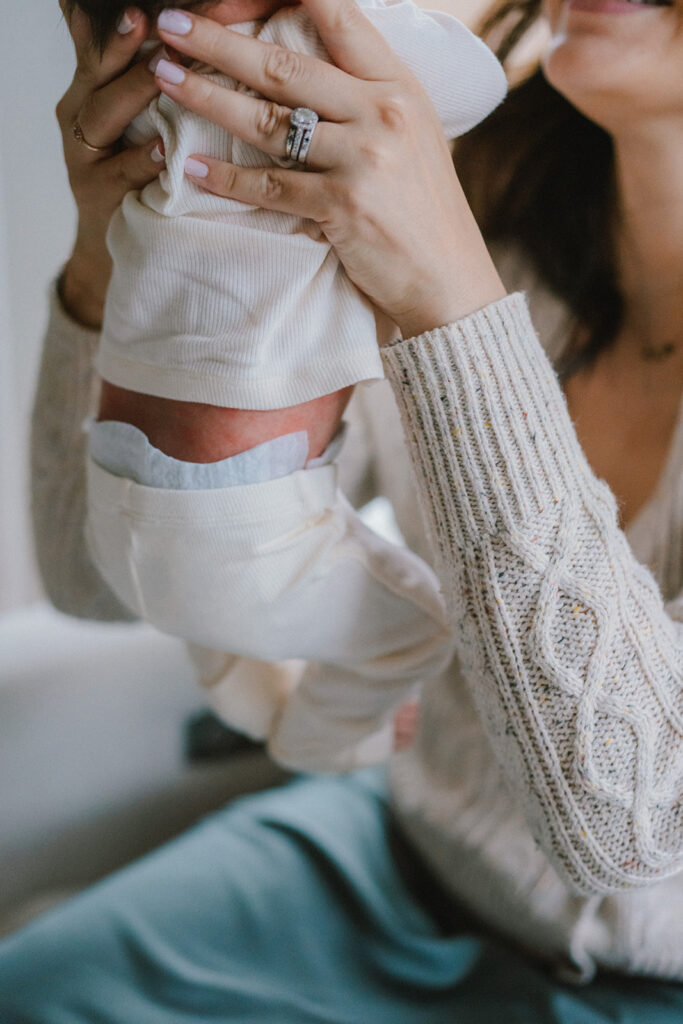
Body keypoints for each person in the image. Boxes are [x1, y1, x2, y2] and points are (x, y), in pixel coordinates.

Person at [0, 0, 681, 1019]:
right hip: (384, 861)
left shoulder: (438, 227)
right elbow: (91, 583)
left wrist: (450, 297)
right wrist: (107, 258)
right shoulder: (474, 197)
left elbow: (631, 835)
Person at [64, 0, 506, 772]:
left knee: (209, 602)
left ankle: (244, 695)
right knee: (420, 631)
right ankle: (316, 744)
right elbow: (477, 83)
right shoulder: (315, 39)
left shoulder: (144, 64)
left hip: (116, 493)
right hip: (243, 526)